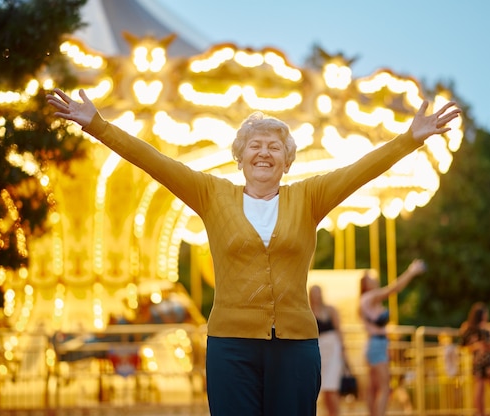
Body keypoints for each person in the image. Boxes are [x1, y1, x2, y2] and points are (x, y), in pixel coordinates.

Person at [46, 87, 460, 416]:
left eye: (274, 147)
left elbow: (360, 171)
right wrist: (98, 125)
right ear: (241, 157)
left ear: (287, 161)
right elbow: (154, 161)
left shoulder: (309, 197)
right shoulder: (211, 194)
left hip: (296, 345)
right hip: (231, 345)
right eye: (256, 145)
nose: (264, 152)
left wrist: (410, 139)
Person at [358, 259, 427, 416]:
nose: (374, 279)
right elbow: (393, 289)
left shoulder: (367, 301)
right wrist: (412, 271)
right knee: (384, 387)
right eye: (370, 278)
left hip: (376, 345)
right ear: (365, 285)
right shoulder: (369, 298)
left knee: (373, 388)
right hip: (376, 345)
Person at [309, 285, 345, 416]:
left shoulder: (330, 310)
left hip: (333, 349)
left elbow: (338, 329)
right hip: (320, 349)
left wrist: (343, 349)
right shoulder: (309, 311)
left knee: (332, 386)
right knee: (323, 387)